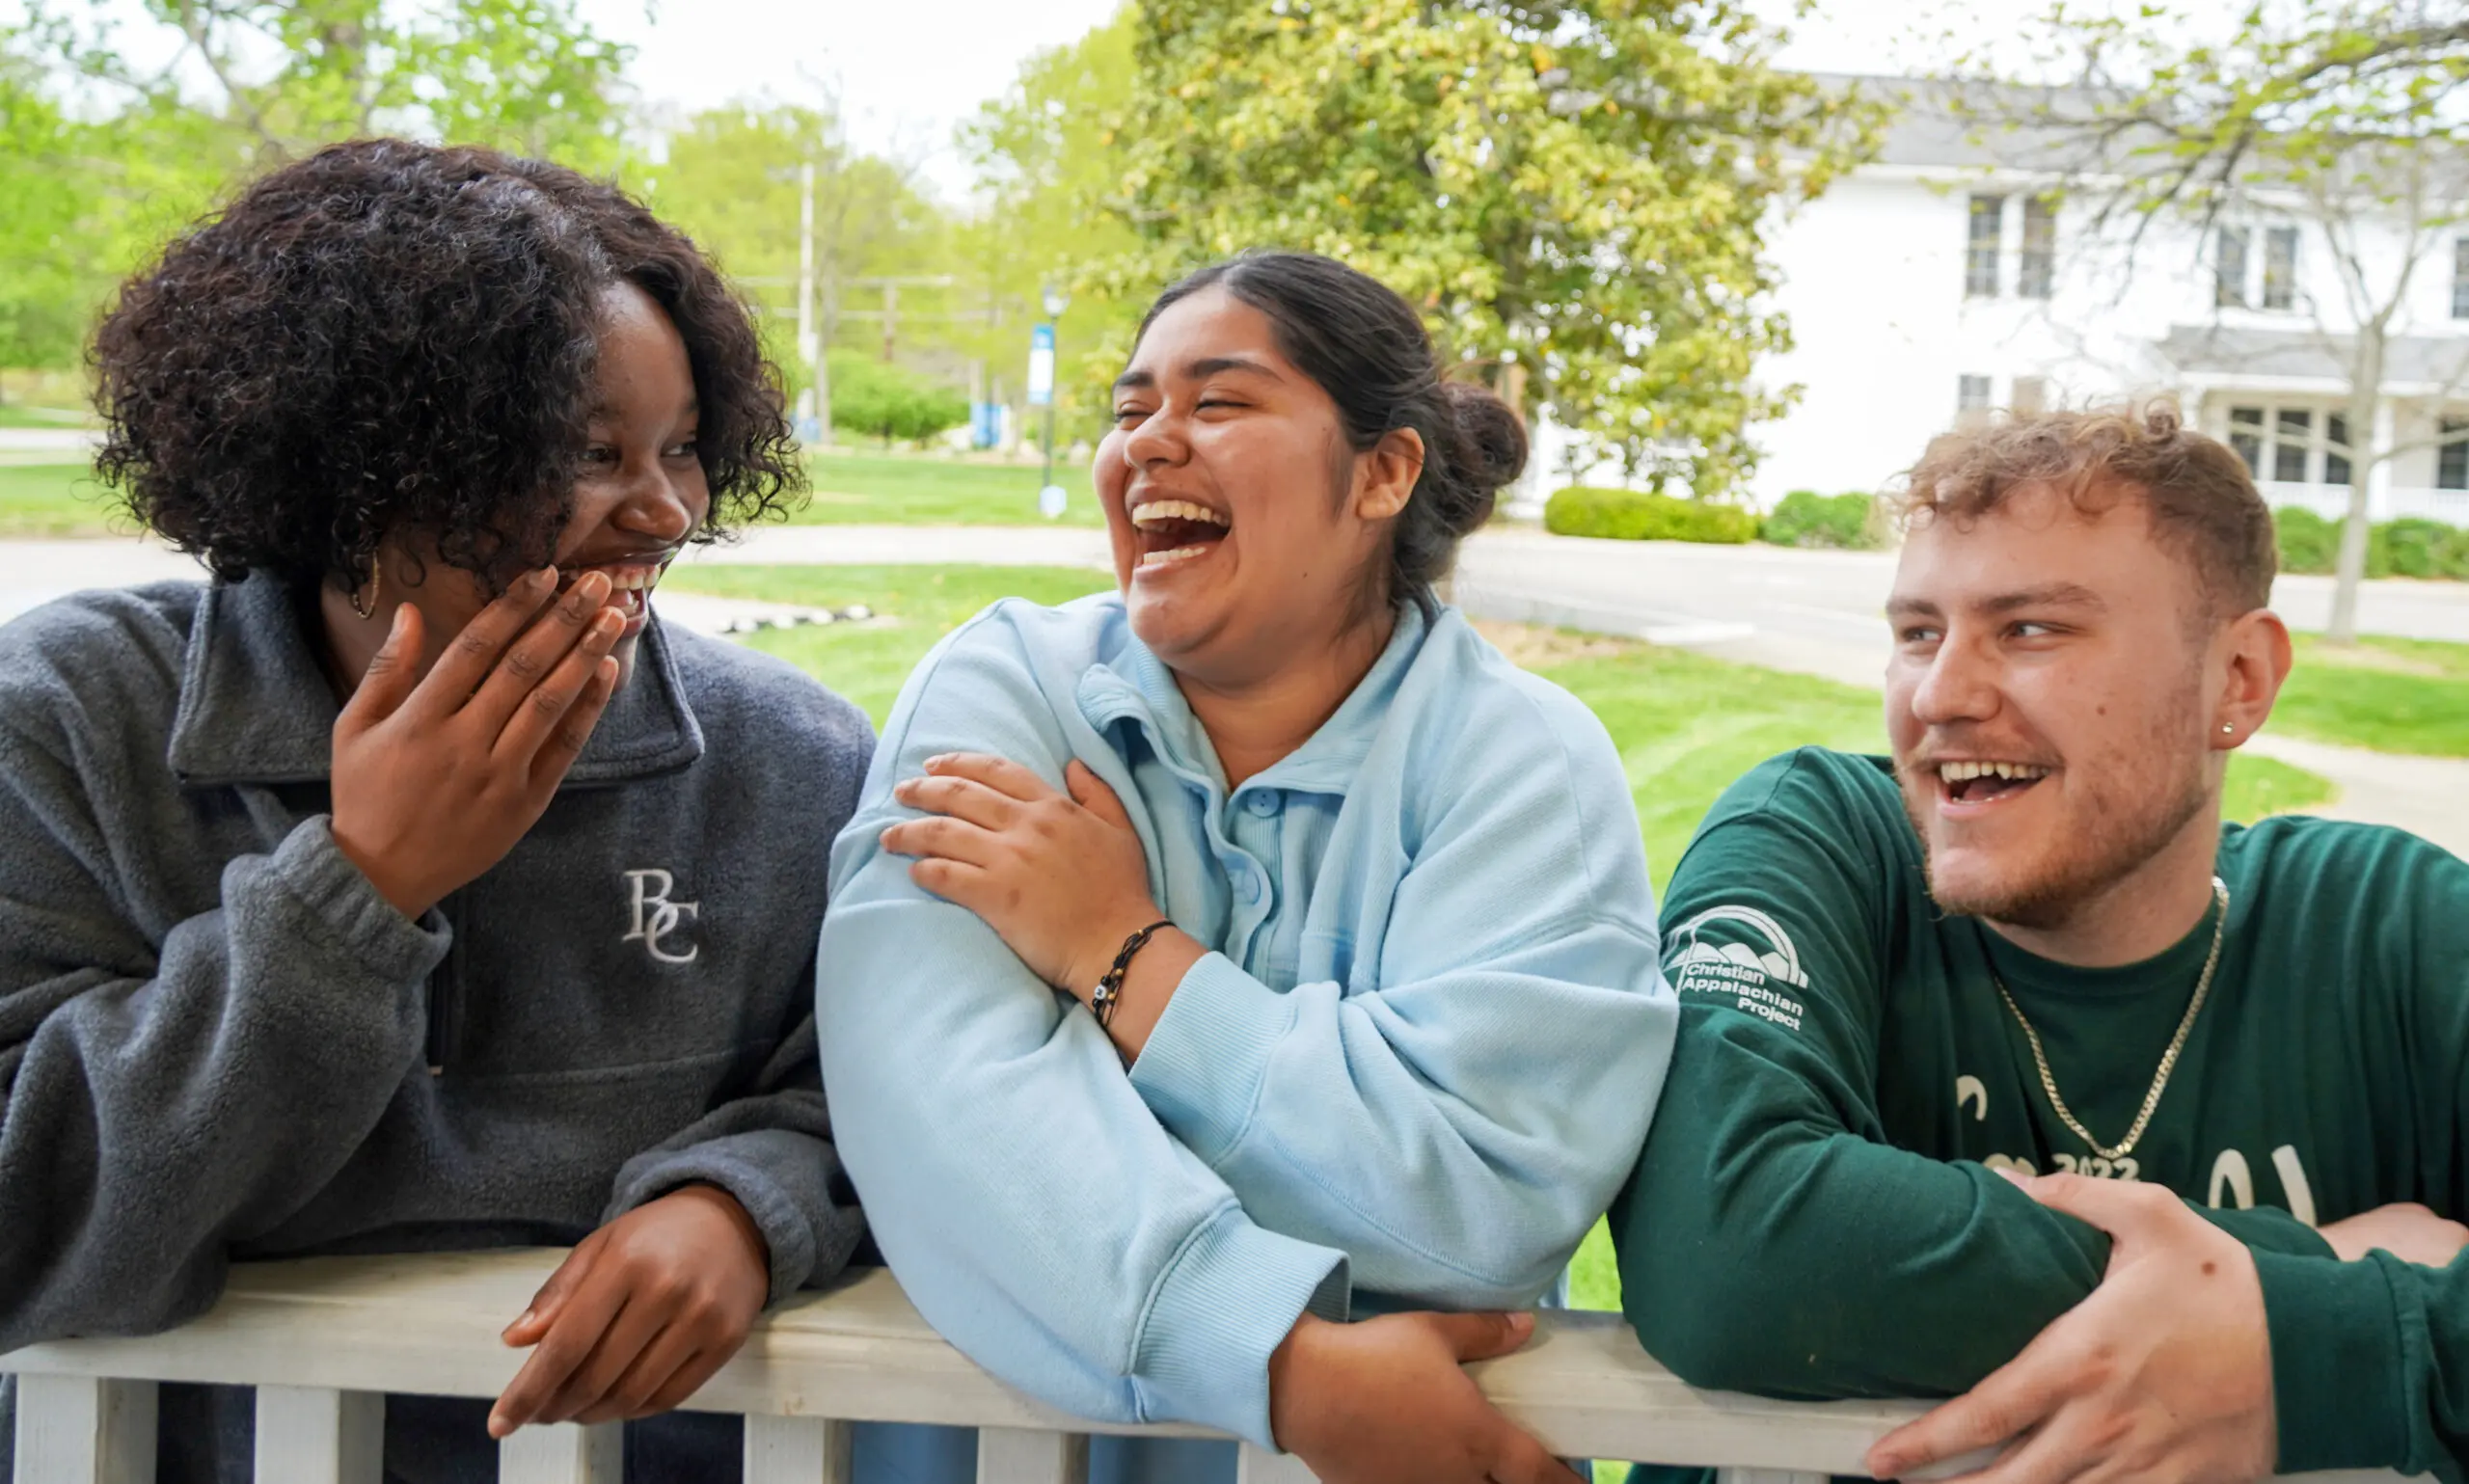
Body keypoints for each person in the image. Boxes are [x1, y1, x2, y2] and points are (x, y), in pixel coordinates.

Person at [0, 140, 873, 1482]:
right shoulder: (65, 719)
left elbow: (888, 1098)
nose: (665, 512)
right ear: (365, 461)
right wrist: (359, 885)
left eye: (684, 448)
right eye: (588, 453)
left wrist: (747, 1205)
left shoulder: (796, 755)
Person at [816, 251, 1676, 1484]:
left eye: (1217, 403)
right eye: (1129, 411)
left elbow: (1480, 1205)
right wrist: (1279, 1359)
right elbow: (938, 1105)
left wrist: (1123, 958)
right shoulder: (1005, 689)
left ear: (1382, 472)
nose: (1149, 443)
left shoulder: (1522, 759)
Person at [1610, 405, 2469, 1484]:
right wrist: (2325, 1287)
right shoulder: (1822, 840)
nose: (1939, 696)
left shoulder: (2385, 929)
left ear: (2238, 680)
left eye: (2030, 630)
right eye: (1918, 632)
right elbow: (1724, 1252)